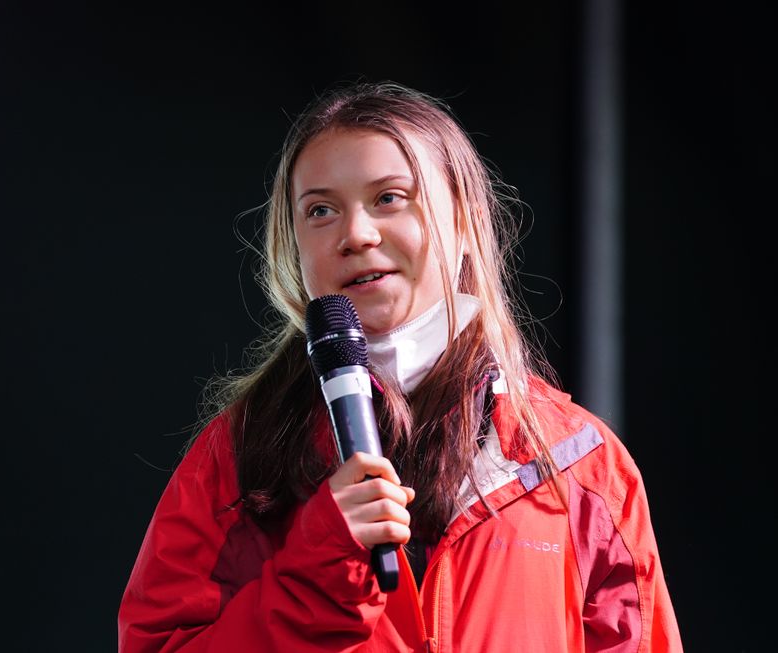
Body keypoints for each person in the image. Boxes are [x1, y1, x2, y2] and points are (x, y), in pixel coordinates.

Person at [117, 80, 683, 652]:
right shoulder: (236, 457)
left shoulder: (580, 464)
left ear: (463, 222)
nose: (355, 235)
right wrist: (314, 577)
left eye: (390, 198)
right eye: (319, 210)